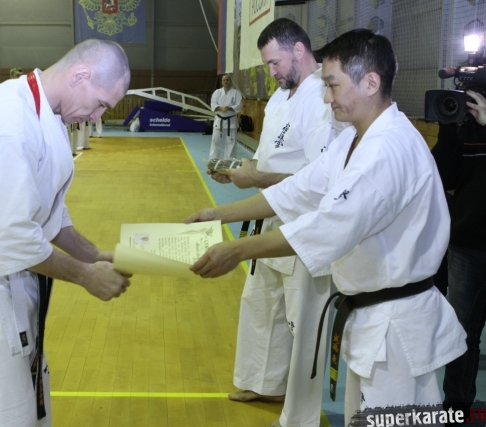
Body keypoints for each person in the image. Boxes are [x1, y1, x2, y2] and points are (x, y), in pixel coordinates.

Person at [186, 29, 467, 426]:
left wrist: (237, 249)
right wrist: (218, 215)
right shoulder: (354, 139)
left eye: (333, 85)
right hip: (373, 318)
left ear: (371, 83)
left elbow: (327, 227)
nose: (326, 97)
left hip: (397, 328)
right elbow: (298, 190)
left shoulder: (387, 149)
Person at [0, 38, 132, 427]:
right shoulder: (7, 119)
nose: (97, 115)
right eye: (101, 103)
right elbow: (13, 236)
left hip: (12, 277)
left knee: (17, 405)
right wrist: (85, 275)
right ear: (81, 75)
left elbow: (47, 212)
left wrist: (95, 255)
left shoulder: (44, 112)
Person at [208, 18, 344, 427]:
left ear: (299, 50)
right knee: (260, 302)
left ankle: (299, 417)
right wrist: (241, 169)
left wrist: (256, 178)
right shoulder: (282, 96)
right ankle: (263, 382)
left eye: (274, 63)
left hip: (306, 224)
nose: (271, 72)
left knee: (304, 321)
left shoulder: (324, 98)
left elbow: (317, 180)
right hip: (270, 215)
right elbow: (266, 157)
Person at [434, 90, 486, 420]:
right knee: (461, 332)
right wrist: (449, 125)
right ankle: (457, 406)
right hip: (468, 243)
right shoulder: (466, 120)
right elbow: (445, 176)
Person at [209, 74, 242, 159]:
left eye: (227, 80)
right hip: (219, 121)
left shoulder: (236, 93)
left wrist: (229, 108)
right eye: (224, 80)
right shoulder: (217, 92)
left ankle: (229, 162)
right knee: (216, 142)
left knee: (231, 144)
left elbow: (239, 106)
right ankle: (214, 160)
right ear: (222, 82)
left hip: (231, 122)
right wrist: (221, 108)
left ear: (230, 81)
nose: (226, 81)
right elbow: (213, 104)